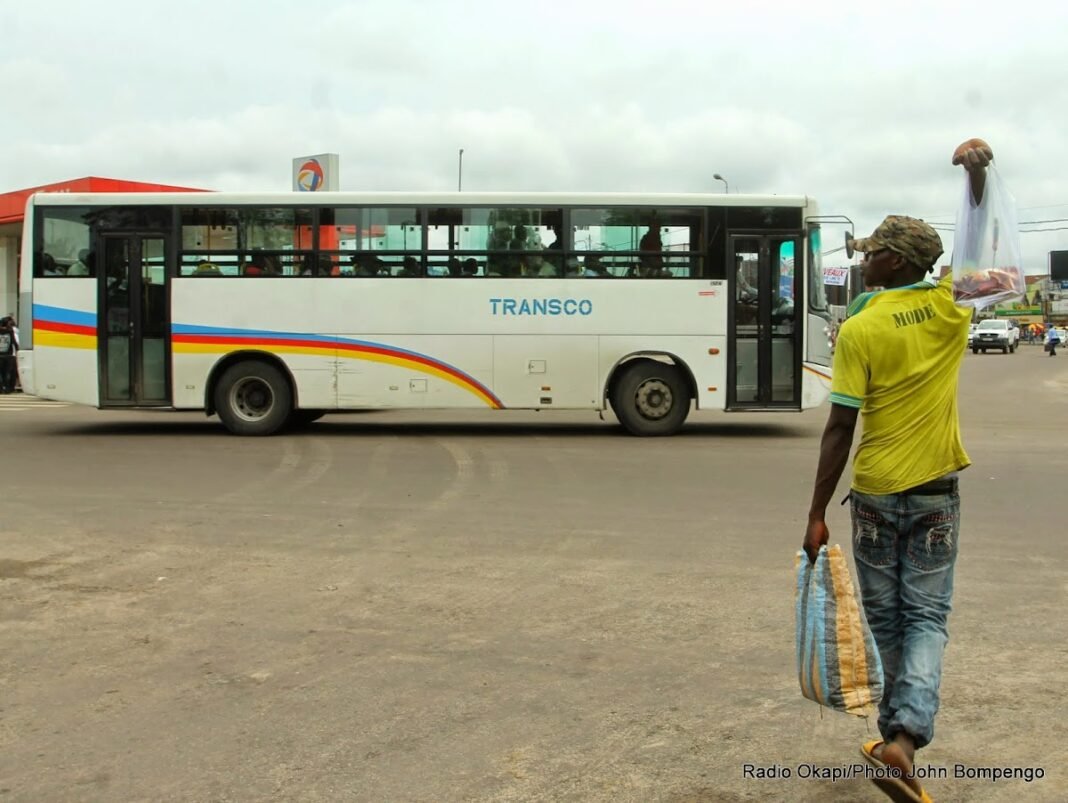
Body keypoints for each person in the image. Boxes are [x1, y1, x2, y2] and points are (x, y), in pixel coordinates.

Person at [802, 138, 994, 803]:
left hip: (879, 494)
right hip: (937, 493)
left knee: (893, 618)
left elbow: (839, 427)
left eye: (874, 253)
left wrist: (815, 511)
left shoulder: (861, 325)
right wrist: (976, 174)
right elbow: (974, 244)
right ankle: (899, 742)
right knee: (926, 619)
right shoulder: (950, 308)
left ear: (898, 260)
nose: (866, 261)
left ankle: (899, 740)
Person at [0, 316, 17, 394]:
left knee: (1, 373)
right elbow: (13, 342)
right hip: (9, 355)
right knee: (7, 373)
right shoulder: (10, 331)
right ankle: (7, 389)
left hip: (1, 355)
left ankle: (1, 389)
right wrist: (18, 350)